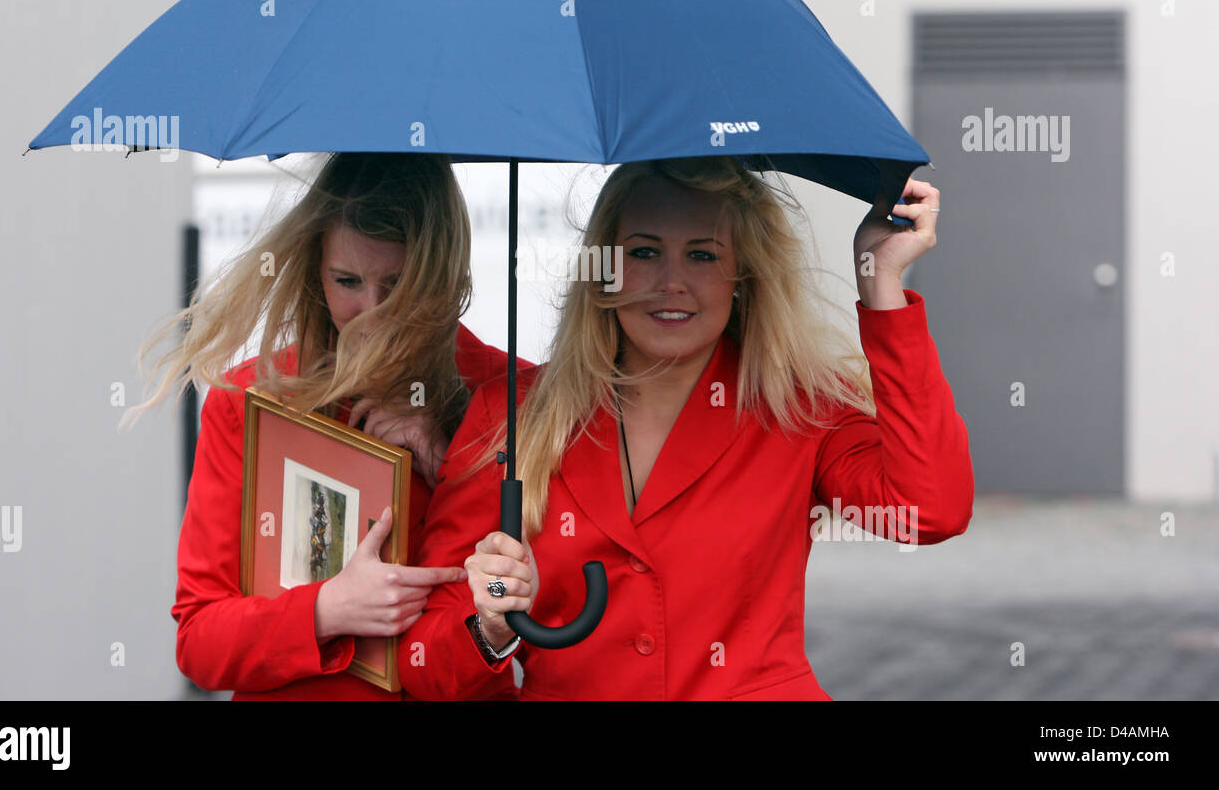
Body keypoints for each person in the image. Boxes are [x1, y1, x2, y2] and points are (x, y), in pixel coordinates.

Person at [398, 155, 974, 700]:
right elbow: (423, 664)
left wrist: (881, 285)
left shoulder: (801, 409)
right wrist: (490, 629)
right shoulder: (511, 416)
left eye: (702, 256)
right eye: (645, 252)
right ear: (605, 268)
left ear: (742, 273)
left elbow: (929, 509)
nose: (672, 282)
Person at [122, 152, 528, 699]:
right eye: (347, 281)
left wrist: (451, 460)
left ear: (444, 273)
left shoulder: (515, 399)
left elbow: (509, 612)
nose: (373, 311)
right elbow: (201, 641)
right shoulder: (248, 401)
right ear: (315, 272)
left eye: (399, 284)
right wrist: (325, 610)